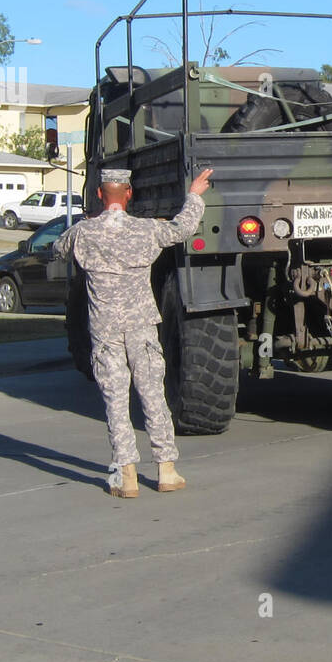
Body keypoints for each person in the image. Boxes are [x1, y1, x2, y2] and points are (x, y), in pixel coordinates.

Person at [53, 166, 213, 497]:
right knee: (153, 394)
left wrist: (84, 226)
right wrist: (194, 194)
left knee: (116, 399)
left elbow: (57, 250)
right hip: (141, 326)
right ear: (129, 194)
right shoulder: (145, 230)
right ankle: (166, 470)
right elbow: (182, 229)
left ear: (99, 195)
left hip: (106, 329)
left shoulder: (83, 233)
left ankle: (126, 476)